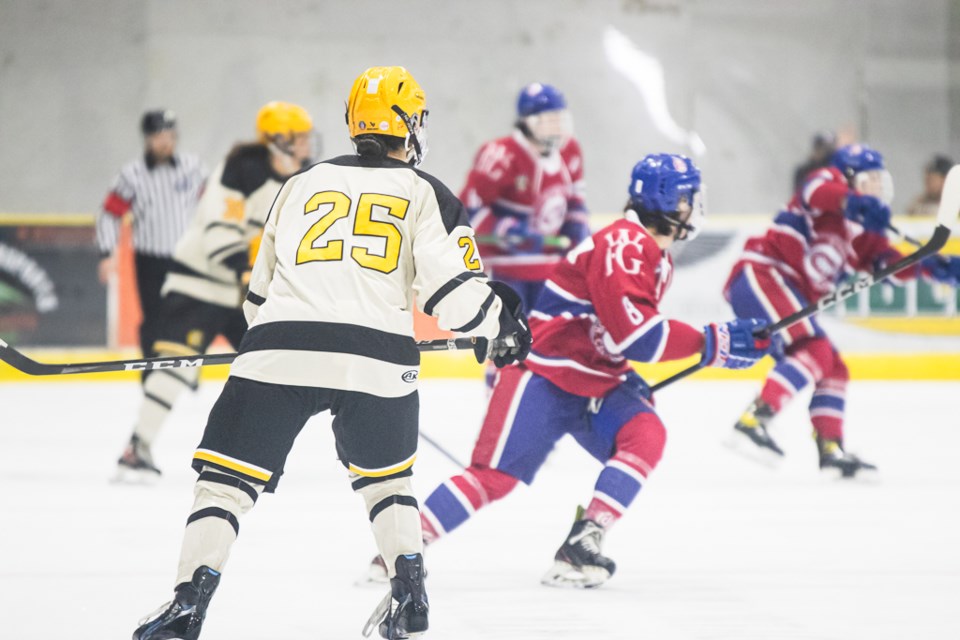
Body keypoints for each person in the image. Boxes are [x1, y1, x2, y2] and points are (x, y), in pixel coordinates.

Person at [131, 66, 532, 640]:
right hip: (379, 359)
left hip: (279, 348)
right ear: (410, 124)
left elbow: (257, 298)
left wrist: (269, 353)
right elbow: (455, 298)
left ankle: (188, 605)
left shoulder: (299, 184)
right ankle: (409, 598)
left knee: (224, 484)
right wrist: (503, 328)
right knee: (388, 486)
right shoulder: (428, 192)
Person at [368, 154, 775, 589]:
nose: (694, 206)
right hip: (543, 374)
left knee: (645, 433)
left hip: (593, 379)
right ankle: (401, 551)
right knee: (493, 478)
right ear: (669, 200)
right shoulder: (627, 246)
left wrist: (623, 368)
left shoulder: (652, 254)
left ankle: (583, 541)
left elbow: (614, 334)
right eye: (689, 198)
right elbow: (641, 337)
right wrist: (714, 343)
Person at [726, 143, 960, 478]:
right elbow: (818, 191)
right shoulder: (827, 182)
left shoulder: (864, 230)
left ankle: (830, 449)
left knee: (834, 368)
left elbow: (887, 263)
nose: (877, 189)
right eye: (870, 180)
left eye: (880, 181)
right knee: (817, 349)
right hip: (765, 275)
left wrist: (931, 267)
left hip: (789, 294)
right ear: (848, 177)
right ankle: (753, 419)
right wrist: (854, 203)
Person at [114, 101, 315, 482]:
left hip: (244, 293)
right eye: (299, 137)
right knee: (174, 369)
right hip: (198, 285)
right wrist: (245, 273)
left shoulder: (303, 179)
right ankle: (136, 449)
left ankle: (254, 455)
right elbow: (220, 228)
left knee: (273, 369)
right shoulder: (241, 168)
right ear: (278, 140)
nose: (307, 145)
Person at [461, 82, 589, 314]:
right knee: (509, 339)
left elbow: (575, 201)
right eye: (548, 121)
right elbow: (468, 210)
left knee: (548, 338)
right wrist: (504, 230)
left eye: (559, 119)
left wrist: (576, 228)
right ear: (528, 123)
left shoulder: (570, 150)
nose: (557, 128)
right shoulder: (499, 155)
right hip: (506, 270)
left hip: (552, 269)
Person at [96, 110, 206, 361]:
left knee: (190, 316)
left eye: (170, 135)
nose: (166, 141)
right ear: (147, 138)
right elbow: (110, 214)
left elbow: (213, 205)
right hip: (150, 259)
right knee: (154, 319)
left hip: (187, 258)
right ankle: (150, 372)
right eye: (159, 136)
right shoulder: (132, 174)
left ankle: (187, 369)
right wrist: (106, 253)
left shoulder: (193, 168)